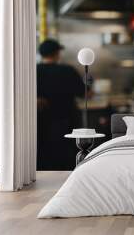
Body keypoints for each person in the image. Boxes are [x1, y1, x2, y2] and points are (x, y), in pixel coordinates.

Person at [37, 39, 85, 170]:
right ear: (57, 53)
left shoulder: (34, 71)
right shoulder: (67, 70)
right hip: (67, 121)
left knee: (44, 155)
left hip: (41, 123)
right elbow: (83, 93)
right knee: (67, 155)